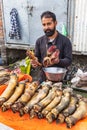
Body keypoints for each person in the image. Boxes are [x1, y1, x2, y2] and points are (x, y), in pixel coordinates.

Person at [31, 11, 72, 84]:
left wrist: (58, 61)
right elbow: (37, 57)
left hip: (60, 79)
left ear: (55, 23)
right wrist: (35, 62)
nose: (46, 27)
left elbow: (68, 60)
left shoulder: (65, 41)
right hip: (43, 78)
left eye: (49, 24)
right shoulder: (39, 41)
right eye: (44, 25)